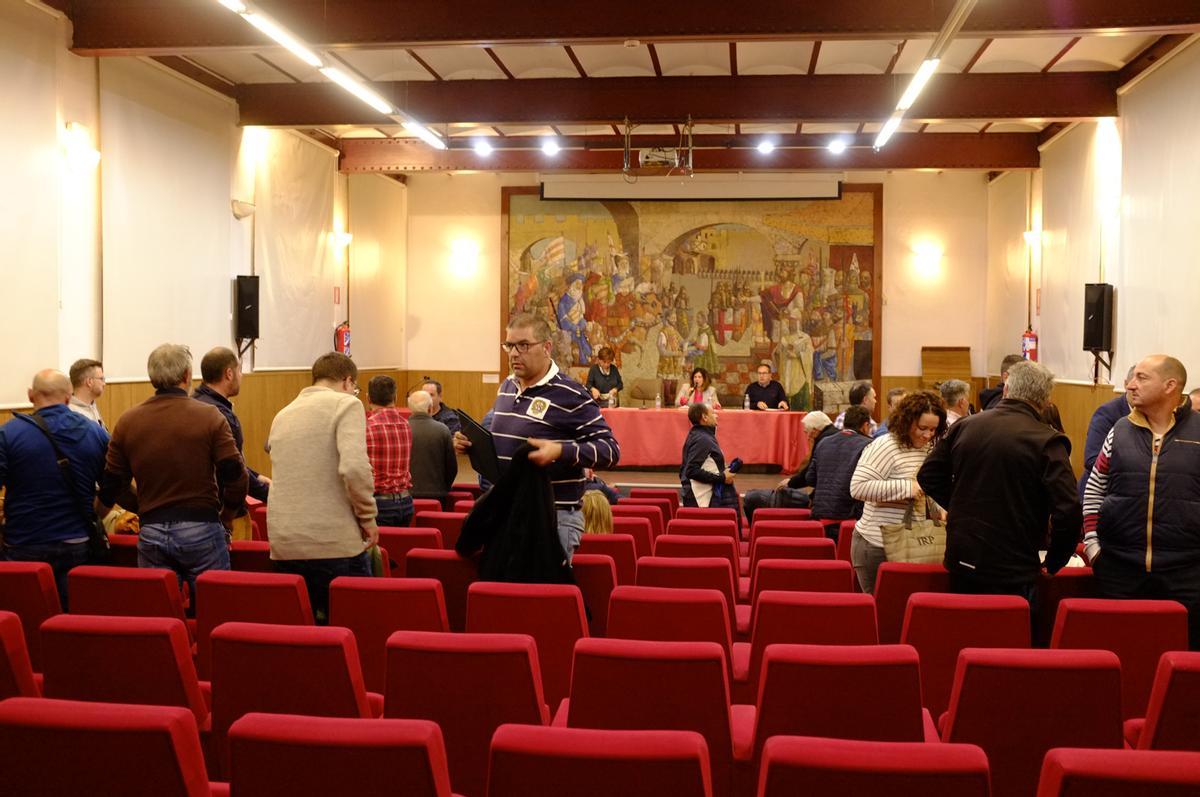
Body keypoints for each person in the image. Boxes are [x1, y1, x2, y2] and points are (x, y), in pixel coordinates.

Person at [454, 312, 619, 561]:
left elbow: (610, 450)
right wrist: (471, 445)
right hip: (508, 513)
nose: (513, 353)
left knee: (543, 598)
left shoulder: (571, 393)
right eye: (509, 345)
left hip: (553, 518)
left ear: (547, 347)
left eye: (523, 345)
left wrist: (561, 451)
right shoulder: (508, 386)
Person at [919, 361, 1081, 601]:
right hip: (1015, 562)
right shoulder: (1048, 441)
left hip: (963, 555)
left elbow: (928, 475)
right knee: (1009, 634)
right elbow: (1068, 510)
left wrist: (959, 504)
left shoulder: (965, 426)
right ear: (1045, 401)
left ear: (1006, 390)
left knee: (964, 631)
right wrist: (1056, 560)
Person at [98, 344, 247, 603]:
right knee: (214, 609)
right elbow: (236, 476)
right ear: (188, 375)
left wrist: (145, 507)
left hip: (152, 531)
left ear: (152, 377)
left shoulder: (127, 421)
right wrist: (227, 517)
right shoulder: (210, 417)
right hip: (202, 528)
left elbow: (113, 484)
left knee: (159, 613)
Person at [1083, 354, 1200, 648]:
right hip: (1121, 572)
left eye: (1142, 378)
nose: (1131, 385)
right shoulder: (1119, 430)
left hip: (1187, 577)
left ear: (1170, 385)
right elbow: (1094, 490)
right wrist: (1094, 547)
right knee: (1122, 655)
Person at [267, 352, 377, 621]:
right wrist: (368, 517)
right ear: (348, 381)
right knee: (358, 626)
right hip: (331, 542)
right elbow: (353, 468)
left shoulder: (283, 414)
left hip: (284, 542)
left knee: (302, 635)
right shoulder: (346, 404)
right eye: (355, 388)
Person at [0, 370, 109, 607]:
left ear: (30, 395)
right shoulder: (95, 432)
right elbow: (112, 484)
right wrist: (96, 514)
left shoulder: (8, 434)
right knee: (71, 624)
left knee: (27, 619)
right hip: (77, 541)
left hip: (23, 544)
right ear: (69, 398)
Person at [849, 390, 947, 594]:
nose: (928, 435)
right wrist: (908, 488)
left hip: (910, 544)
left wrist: (938, 508)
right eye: (922, 428)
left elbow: (924, 489)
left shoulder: (927, 448)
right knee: (883, 615)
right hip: (876, 545)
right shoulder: (886, 445)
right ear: (907, 421)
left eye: (933, 429)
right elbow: (858, 487)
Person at [192, 347, 270, 541]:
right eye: (240, 371)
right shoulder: (221, 415)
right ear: (229, 373)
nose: (241, 376)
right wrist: (272, 495)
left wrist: (257, 476)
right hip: (225, 516)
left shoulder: (194, 404)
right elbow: (233, 472)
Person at [742, 410, 837, 520]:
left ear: (815, 431)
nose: (807, 437)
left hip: (823, 502)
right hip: (831, 497)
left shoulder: (824, 442)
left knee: (758, 497)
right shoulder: (834, 435)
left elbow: (810, 474)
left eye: (807, 432)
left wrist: (791, 483)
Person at [807, 404, 873, 533]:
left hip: (819, 515)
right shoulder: (869, 445)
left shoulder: (823, 442)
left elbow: (810, 478)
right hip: (850, 518)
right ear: (865, 426)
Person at [365, 375, 414, 528]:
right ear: (395, 396)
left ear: (368, 398)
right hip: (406, 501)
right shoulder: (406, 425)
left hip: (379, 503)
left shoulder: (366, 428)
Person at [1078, 366, 1133, 501]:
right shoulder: (1107, 413)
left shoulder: (1150, 416)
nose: (1138, 387)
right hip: (1099, 497)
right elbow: (1092, 459)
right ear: (1126, 384)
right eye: (1134, 382)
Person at [679, 402, 737, 511]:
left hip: (700, 495)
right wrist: (722, 478)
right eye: (713, 413)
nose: (716, 415)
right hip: (700, 499)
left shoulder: (700, 435)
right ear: (704, 417)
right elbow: (691, 471)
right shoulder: (703, 439)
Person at [406, 389, 457, 506]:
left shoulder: (401, 429)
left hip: (406, 494)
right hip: (437, 494)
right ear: (430, 408)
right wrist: (444, 487)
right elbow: (452, 467)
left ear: (410, 409)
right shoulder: (443, 430)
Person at [67, 358, 106, 427]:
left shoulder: (92, 406)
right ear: (89, 382)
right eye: (101, 379)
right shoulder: (71, 413)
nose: (104, 384)